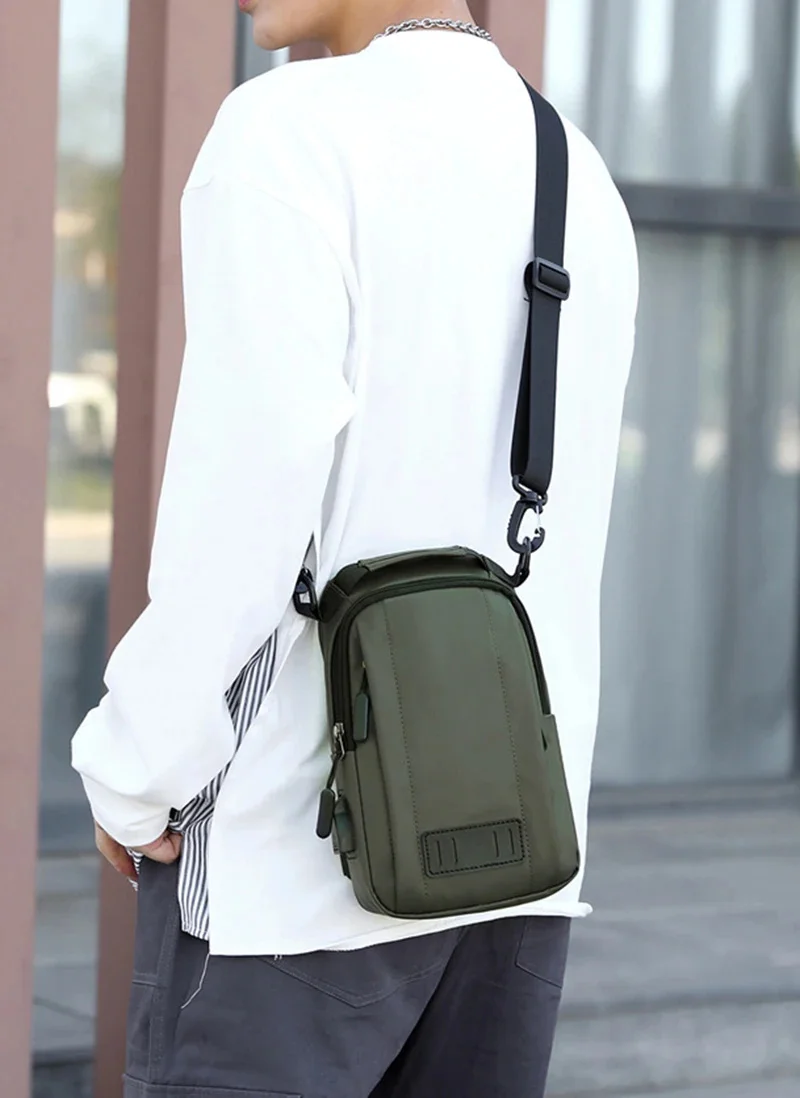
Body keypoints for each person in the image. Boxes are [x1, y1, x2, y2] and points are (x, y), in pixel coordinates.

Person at [72, 2, 639, 1095]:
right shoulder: (576, 169)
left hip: (294, 872)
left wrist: (135, 770)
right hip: (515, 861)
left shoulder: (289, 128)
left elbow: (245, 501)